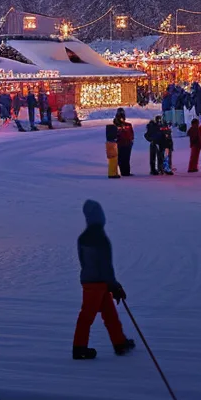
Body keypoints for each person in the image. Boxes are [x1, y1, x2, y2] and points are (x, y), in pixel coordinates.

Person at [73, 200, 134, 360]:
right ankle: (79, 348)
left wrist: (111, 285)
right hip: (98, 283)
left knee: (110, 314)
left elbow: (83, 261)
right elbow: (106, 266)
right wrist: (114, 286)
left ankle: (119, 342)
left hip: (90, 280)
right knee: (87, 315)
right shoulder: (101, 238)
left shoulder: (83, 238)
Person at [114, 109, 135, 178]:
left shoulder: (128, 125)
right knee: (120, 158)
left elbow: (131, 134)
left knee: (126, 158)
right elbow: (114, 134)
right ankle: (121, 172)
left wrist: (131, 140)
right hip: (120, 143)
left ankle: (126, 172)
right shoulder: (115, 125)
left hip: (127, 143)